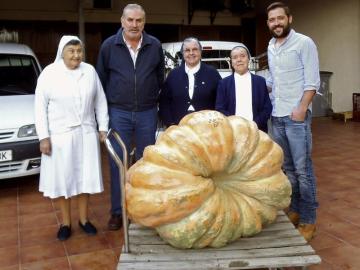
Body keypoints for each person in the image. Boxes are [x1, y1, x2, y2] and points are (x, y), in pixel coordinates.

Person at [96, 3, 164, 230]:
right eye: (130, 20)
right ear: (122, 21)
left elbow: (159, 77)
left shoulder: (154, 45)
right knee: (118, 163)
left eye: (139, 20)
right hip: (119, 112)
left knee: (147, 162)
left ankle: (145, 208)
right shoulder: (109, 46)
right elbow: (101, 82)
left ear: (144, 22)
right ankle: (118, 211)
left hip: (146, 112)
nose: (134, 25)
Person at [34, 35, 109, 241]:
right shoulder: (49, 74)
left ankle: (84, 220)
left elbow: (100, 101)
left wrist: (103, 127)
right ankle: (65, 223)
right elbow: (39, 109)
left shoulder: (90, 71)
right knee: (63, 179)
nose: (76, 55)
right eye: (72, 51)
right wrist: (44, 137)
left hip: (86, 133)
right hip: (60, 136)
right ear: (62, 53)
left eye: (79, 51)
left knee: (85, 178)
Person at [266, 2, 320, 241]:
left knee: (303, 170)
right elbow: (274, 81)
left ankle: (309, 220)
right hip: (276, 116)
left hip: (295, 118)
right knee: (288, 170)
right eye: (271, 20)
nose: (276, 23)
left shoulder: (304, 43)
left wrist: (302, 108)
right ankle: (296, 210)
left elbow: (312, 81)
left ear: (289, 18)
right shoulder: (270, 46)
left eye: (280, 18)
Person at [159, 37, 222, 126]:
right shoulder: (173, 75)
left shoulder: (212, 73)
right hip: (179, 127)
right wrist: (170, 124)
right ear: (183, 53)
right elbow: (164, 102)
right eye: (187, 50)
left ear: (200, 52)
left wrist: (215, 124)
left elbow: (220, 101)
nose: (191, 53)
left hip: (207, 128)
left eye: (195, 49)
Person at [215, 44, 272, 132]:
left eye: (242, 56)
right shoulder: (224, 83)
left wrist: (255, 124)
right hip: (233, 130)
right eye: (235, 57)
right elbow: (219, 108)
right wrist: (235, 123)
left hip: (258, 129)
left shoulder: (260, 81)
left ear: (248, 59)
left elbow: (267, 107)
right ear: (231, 62)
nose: (239, 60)